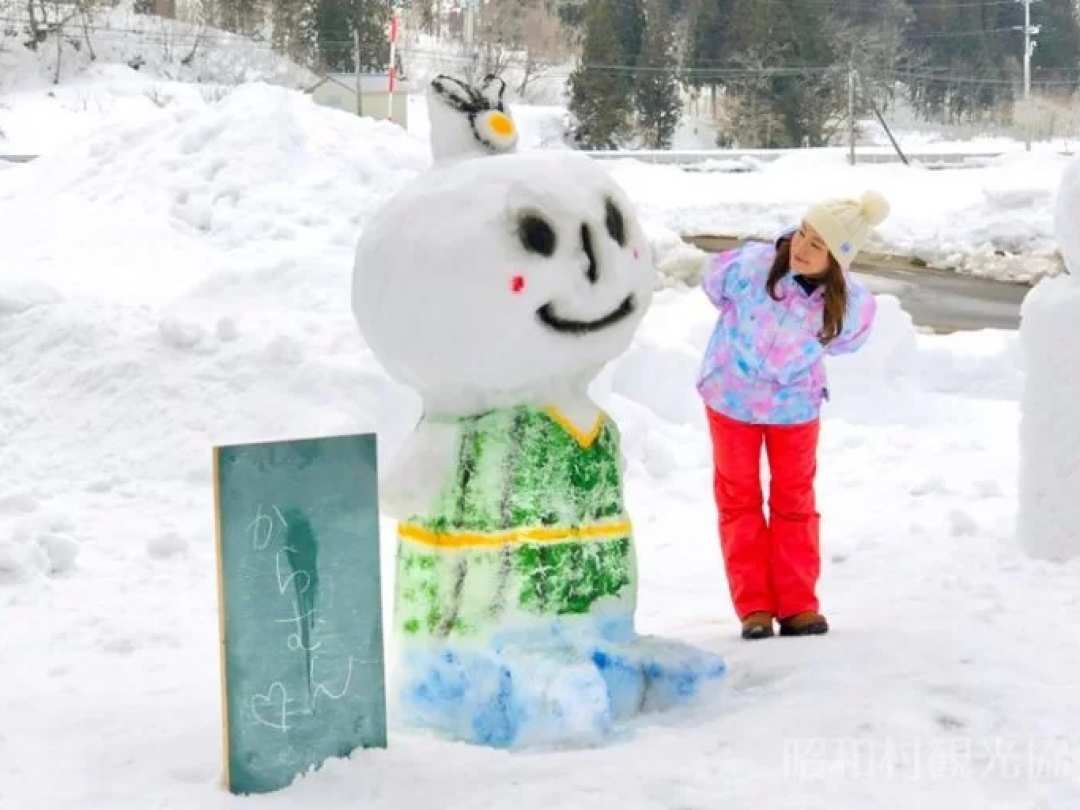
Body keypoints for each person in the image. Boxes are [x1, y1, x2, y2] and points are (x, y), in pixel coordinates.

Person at [697, 190, 889, 640]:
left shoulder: (847, 305)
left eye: (818, 245)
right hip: (731, 400)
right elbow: (712, 284)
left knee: (794, 501)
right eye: (803, 232)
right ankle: (755, 608)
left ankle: (798, 604)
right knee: (738, 499)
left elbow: (847, 340)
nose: (801, 248)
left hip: (794, 409)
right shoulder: (750, 267)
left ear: (838, 261)